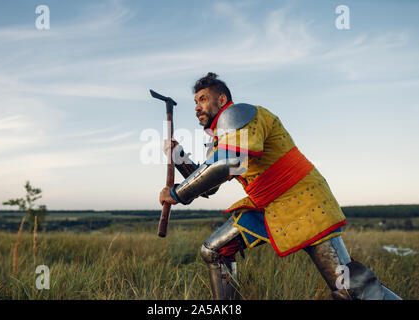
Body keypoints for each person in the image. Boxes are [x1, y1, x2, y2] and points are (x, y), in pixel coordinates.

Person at [159, 72, 401, 300]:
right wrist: (179, 156)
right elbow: (210, 185)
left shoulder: (240, 115)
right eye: (195, 101)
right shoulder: (224, 138)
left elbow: (225, 164)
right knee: (214, 251)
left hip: (304, 201)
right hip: (267, 206)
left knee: (349, 289)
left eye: (203, 99)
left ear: (221, 99)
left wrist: (177, 193)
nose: (197, 106)